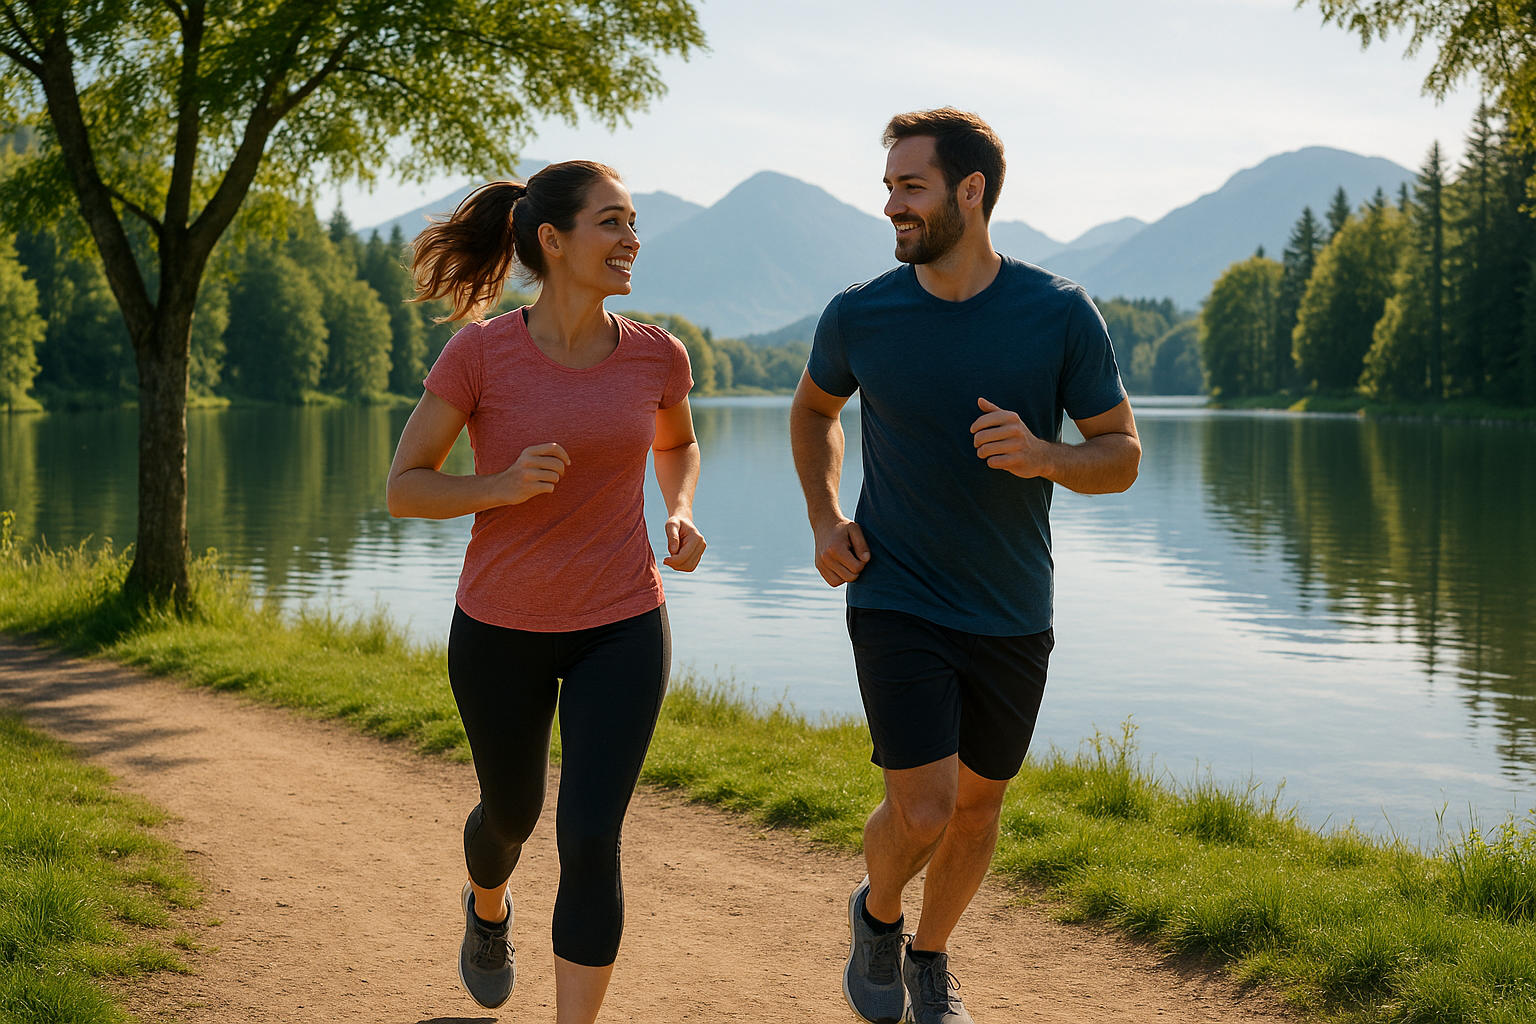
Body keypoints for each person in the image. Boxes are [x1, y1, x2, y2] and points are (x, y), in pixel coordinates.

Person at [790, 109, 1140, 1024]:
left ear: (971, 191)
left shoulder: (1057, 312)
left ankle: (930, 956)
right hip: (895, 593)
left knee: (979, 811)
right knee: (924, 810)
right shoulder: (861, 312)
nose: (891, 206)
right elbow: (814, 411)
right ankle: (878, 915)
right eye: (889, 188)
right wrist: (826, 517)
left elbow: (1122, 454)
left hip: (1013, 606)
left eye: (910, 187)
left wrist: (1046, 455)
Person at [386, 160, 706, 1023]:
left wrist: (678, 508)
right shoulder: (481, 352)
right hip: (500, 626)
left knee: (592, 836)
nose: (631, 239)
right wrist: (498, 485)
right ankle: (488, 906)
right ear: (554, 240)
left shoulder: (657, 354)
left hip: (622, 622)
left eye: (633, 223)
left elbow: (677, 443)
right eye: (612, 222)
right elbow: (406, 488)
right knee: (511, 817)